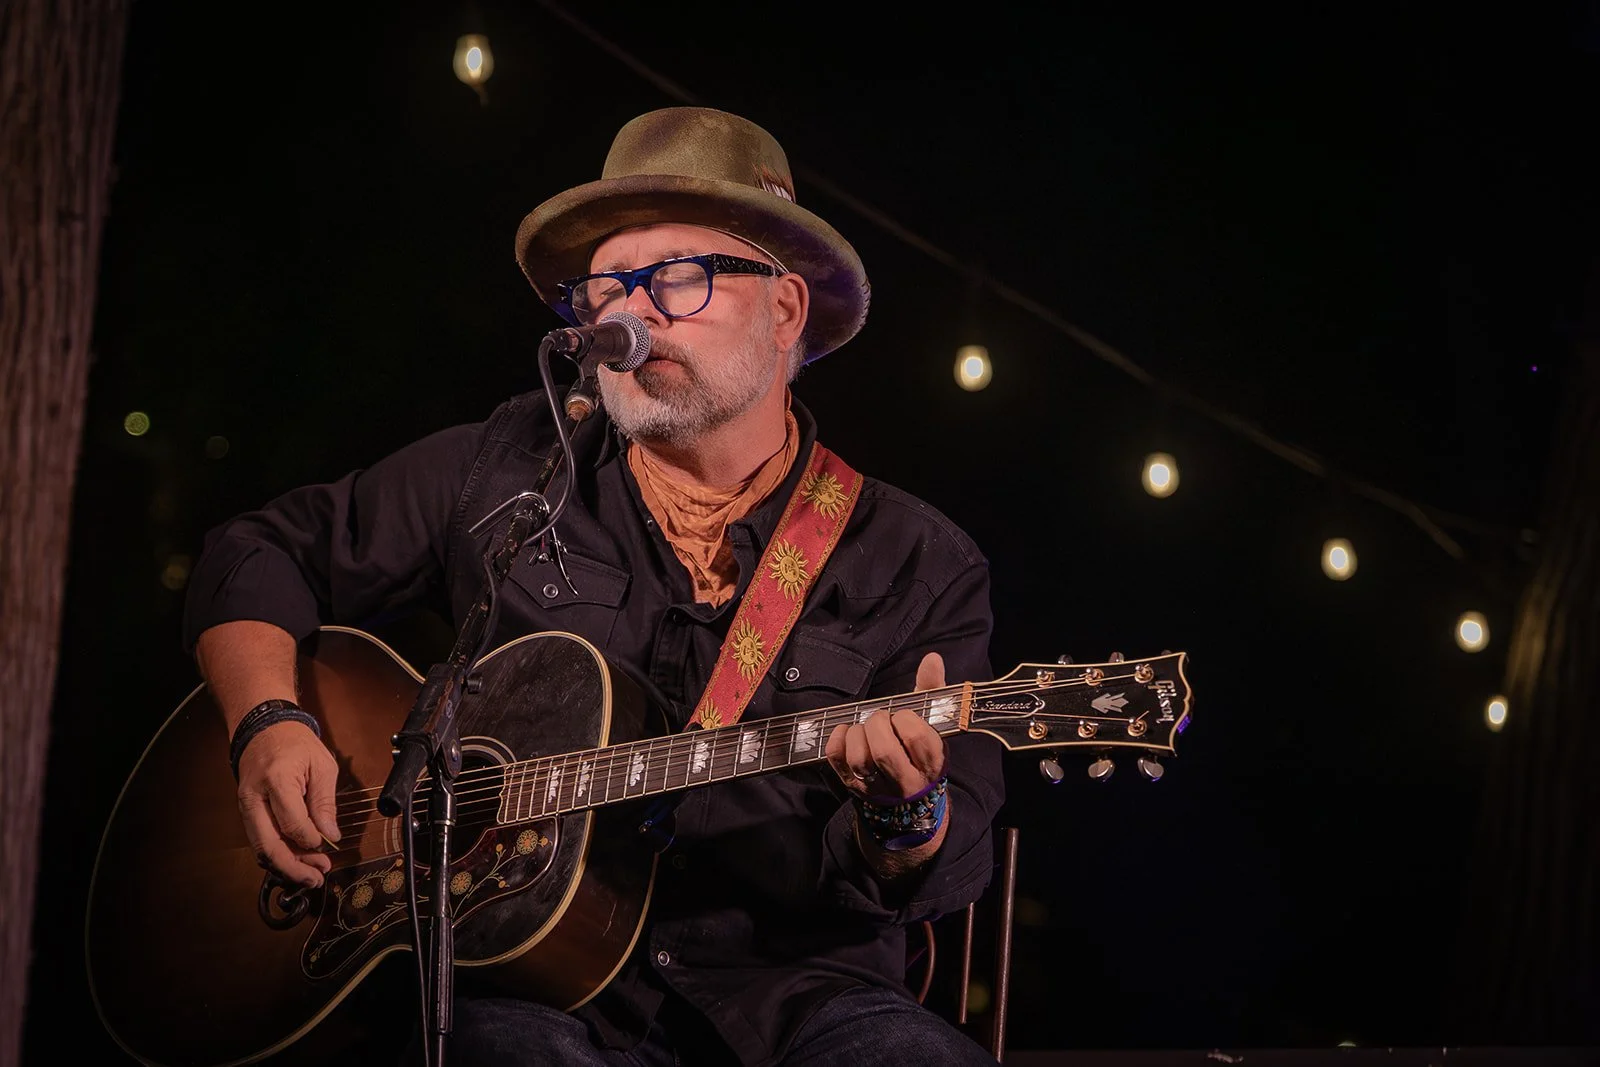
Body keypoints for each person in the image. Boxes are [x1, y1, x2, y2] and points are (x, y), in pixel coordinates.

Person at [183, 105, 1006, 1066]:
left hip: (799, 1000)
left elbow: (942, 857)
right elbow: (257, 550)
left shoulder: (917, 558)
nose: (629, 314)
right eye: (609, 286)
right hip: (519, 990)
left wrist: (902, 813)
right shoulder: (508, 468)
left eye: (678, 279)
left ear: (783, 310)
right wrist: (267, 722)